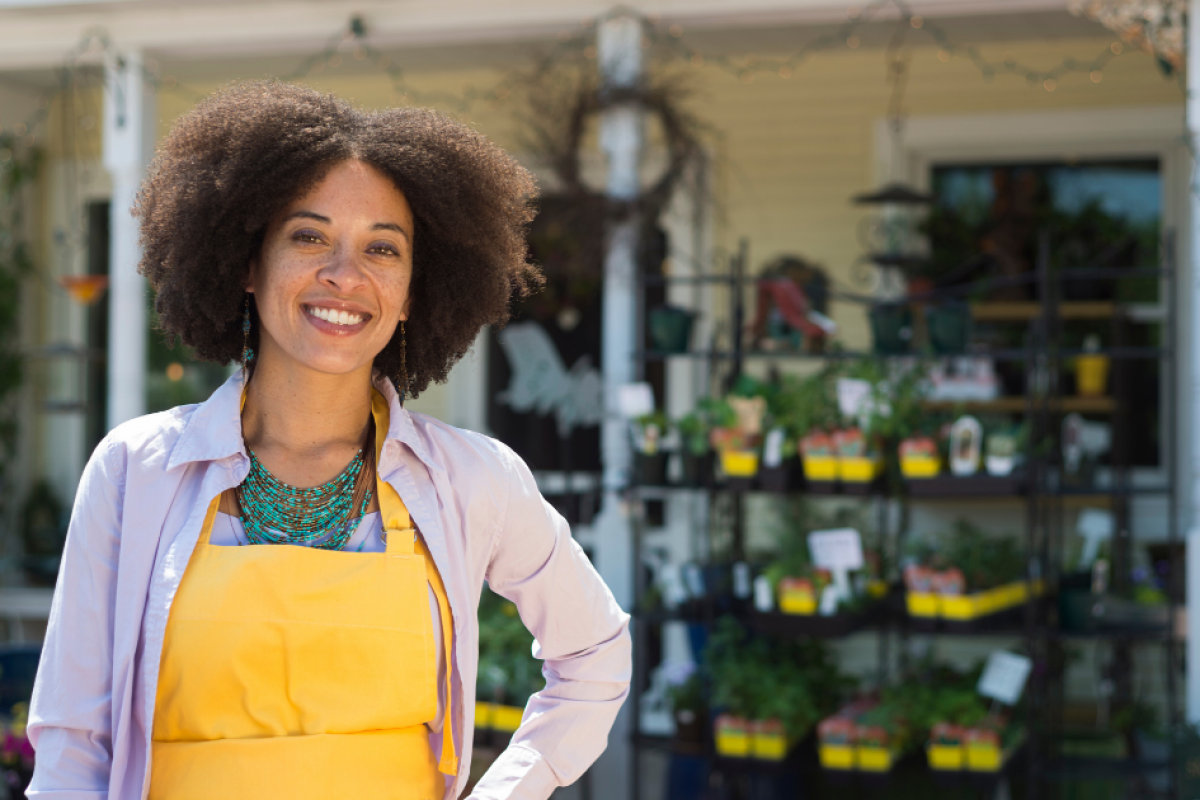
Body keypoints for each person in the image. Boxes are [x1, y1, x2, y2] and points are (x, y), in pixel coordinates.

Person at [26, 80, 631, 800]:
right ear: (248, 264)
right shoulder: (134, 470)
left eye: (383, 249)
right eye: (309, 236)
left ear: (412, 292)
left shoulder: (476, 478)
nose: (345, 276)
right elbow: (72, 742)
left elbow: (595, 656)